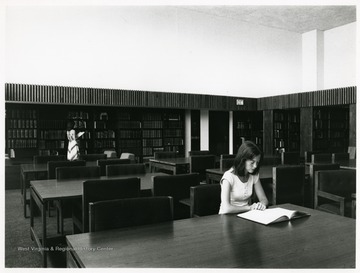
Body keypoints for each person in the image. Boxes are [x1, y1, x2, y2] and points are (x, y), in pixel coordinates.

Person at [219, 140, 268, 214]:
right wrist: (250, 207)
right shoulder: (228, 176)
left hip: (245, 215)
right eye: (252, 162)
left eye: (257, 162)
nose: (255, 166)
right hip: (226, 218)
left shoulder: (253, 175)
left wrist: (261, 205)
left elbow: (264, 199)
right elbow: (226, 209)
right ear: (243, 160)